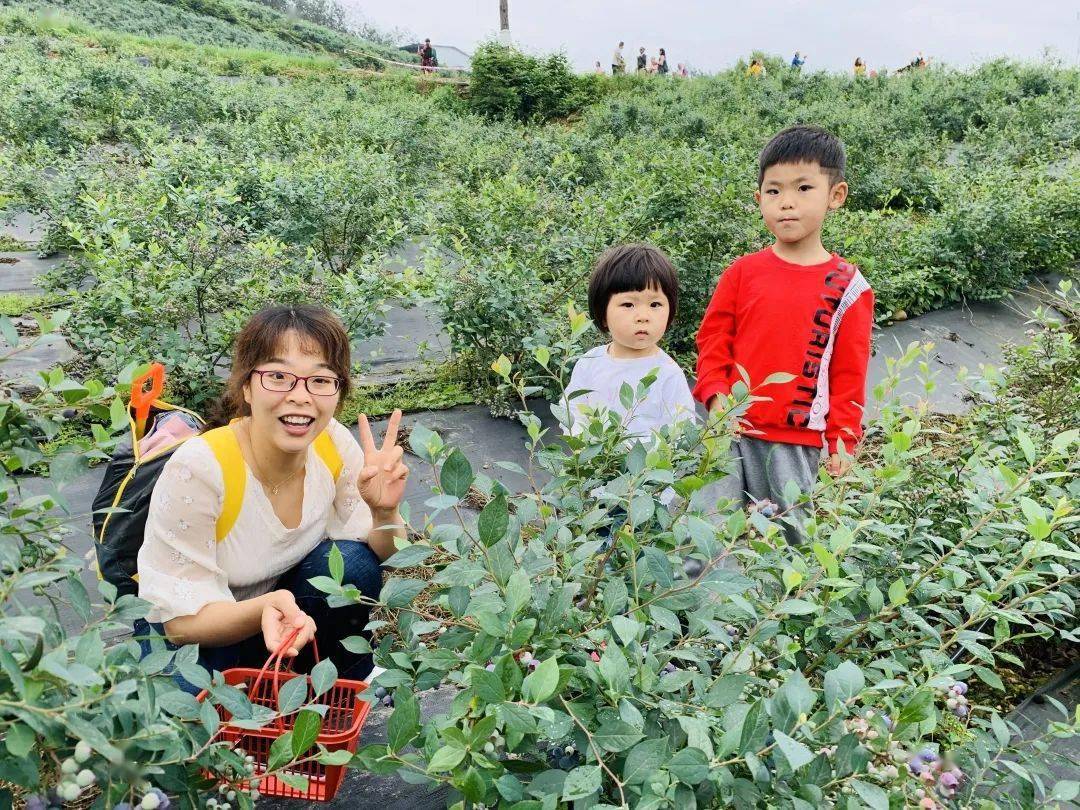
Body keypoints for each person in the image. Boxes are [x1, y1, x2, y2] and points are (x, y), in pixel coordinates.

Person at [134, 305, 410, 694]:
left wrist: (384, 510)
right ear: (246, 386)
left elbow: (389, 553)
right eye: (279, 377)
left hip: (283, 620)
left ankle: (344, 681)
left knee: (353, 564)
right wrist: (265, 607)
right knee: (179, 724)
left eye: (320, 380)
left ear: (338, 391)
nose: (300, 397)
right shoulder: (201, 468)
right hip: (201, 633)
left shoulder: (330, 443)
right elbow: (180, 626)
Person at [693, 126, 874, 545]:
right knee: (706, 532)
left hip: (793, 440)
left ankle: (779, 611)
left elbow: (850, 372)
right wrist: (718, 397)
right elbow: (713, 339)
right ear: (759, 200)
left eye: (803, 187)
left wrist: (843, 436)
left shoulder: (850, 287)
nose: (786, 202)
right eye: (773, 191)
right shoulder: (742, 273)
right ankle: (710, 608)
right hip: (728, 428)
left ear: (836, 195)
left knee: (786, 540)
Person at [560, 244, 695, 442]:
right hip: (593, 467)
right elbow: (572, 408)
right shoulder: (590, 362)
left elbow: (680, 429)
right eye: (628, 304)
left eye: (655, 304)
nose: (643, 316)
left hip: (647, 469)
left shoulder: (668, 372)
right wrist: (583, 443)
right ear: (602, 313)